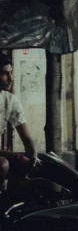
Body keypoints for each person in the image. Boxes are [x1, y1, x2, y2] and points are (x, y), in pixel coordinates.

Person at [0, 51, 39, 181]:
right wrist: (18, 157)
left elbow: (26, 138)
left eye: (11, 72)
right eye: (4, 74)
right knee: (3, 165)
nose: (11, 78)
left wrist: (33, 154)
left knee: (38, 164)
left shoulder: (9, 100)